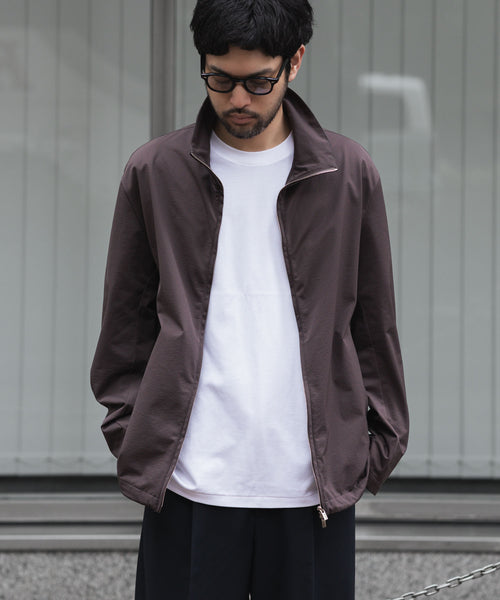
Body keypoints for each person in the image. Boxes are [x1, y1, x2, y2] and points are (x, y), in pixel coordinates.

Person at [90, 1, 409, 598]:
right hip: (188, 485)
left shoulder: (346, 173)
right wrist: (136, 435)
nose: (238, 99)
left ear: (295, 62)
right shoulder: (155, 172)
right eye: (219, 79)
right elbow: (125, 329)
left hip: (311, 489)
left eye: (259, 81)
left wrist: (373, 446)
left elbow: (373, 325)